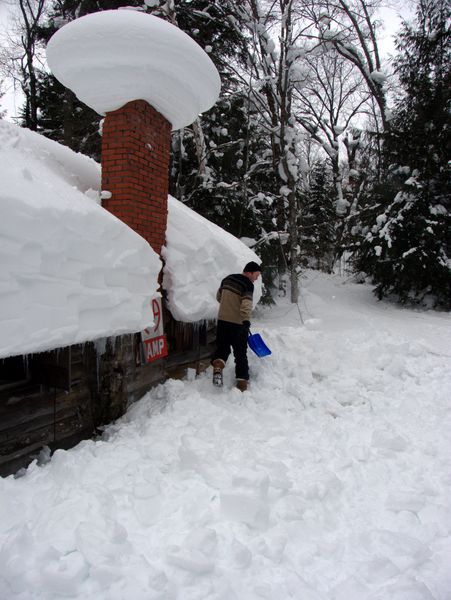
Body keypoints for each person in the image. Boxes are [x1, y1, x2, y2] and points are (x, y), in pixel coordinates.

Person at [211, 261, 262, 391]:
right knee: (240, 354)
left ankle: (218, 366)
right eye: (256, 275)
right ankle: (242, 384)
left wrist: (228, 304)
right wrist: (246, 321)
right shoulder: (247, 284)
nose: (256, 279)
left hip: (222, 321)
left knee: (222, 348)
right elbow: (246, 304)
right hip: (238, 324)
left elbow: (218, 297)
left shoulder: (227, 279)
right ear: (249, 272)